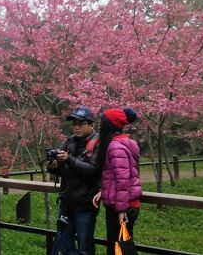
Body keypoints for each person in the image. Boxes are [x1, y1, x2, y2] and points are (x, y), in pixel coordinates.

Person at [47, 106, 101, 255]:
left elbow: (92, 171)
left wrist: (68, 159)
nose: (76, 127)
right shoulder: (70, 141)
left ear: (91, 124)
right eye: (74, 123)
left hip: (85, 204)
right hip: (66, 202)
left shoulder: (98, 143)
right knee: (64, 244)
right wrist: (52, 164)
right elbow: (60, 169)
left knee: (85, 248)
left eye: (81, 123)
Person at [92, 108, 141, 255]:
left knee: (117, 250)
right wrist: (103, 191)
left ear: (109, 126)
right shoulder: (124, 143)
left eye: (103, 123)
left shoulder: (114, 146)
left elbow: (122, 179)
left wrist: (121, 209)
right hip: (125, 204)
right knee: (122, 247)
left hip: (122, 207)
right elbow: (115, 176)